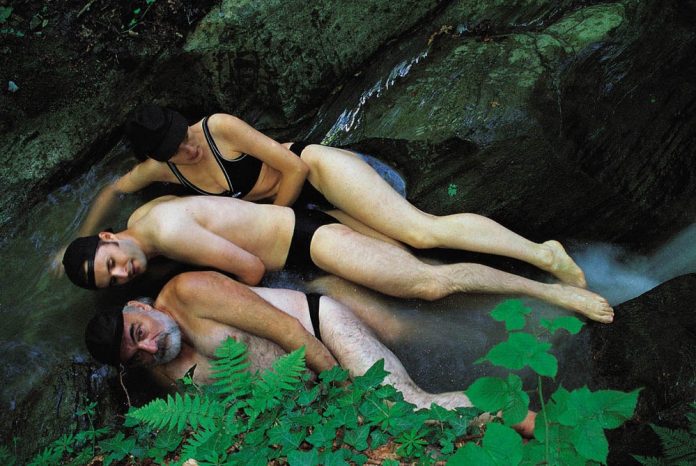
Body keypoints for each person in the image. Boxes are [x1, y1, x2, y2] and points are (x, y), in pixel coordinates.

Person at [52, 104, 585, 293]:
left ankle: (543, 253)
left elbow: (295, 167)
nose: (187, 148)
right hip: (297, 215)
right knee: (407, 261)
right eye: (175, 149)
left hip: (316, 177)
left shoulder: (218, 128)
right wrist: (76, 241)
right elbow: (111, 189)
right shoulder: (156, 172)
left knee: (420, 231)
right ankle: (517, 286)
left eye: (183, 135)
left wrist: (272, 216)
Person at [84, 270, 536, 435]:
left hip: (322, 331)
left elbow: (287, 329)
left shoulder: (189, 291)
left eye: (140, 331)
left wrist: (344, 392)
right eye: (136, 355)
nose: (150, 346)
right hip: (303, 395)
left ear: (141, 307)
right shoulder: (161, 371)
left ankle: (531, 421)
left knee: (406, 410)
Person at [63, 195, 614, 323]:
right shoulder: (142, 225)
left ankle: (549, 287)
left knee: (428, 284)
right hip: (296, 250)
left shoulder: (165, 230)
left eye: (111, 262)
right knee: (402, 311)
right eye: (111, 280)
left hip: (308, 241)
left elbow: (250, 271)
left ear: (109, 237)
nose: (122, 273)